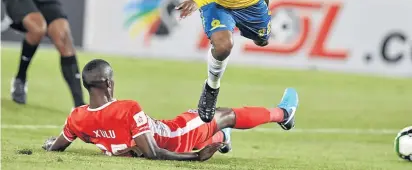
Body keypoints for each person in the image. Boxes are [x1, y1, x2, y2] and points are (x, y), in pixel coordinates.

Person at [42, 59, 299, 161]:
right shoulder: (127, 108)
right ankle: (283, 114)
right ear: (109, 83)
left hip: (162, 131)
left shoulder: (77, 117)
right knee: (224, 115)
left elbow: (58, 146)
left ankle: (220, 138)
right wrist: (195, 158)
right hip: (175, 136)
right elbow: (153, 152)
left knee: (204, 122)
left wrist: (51, 144)